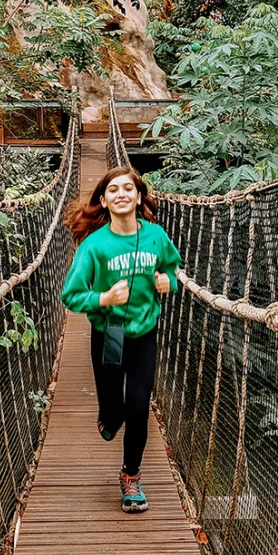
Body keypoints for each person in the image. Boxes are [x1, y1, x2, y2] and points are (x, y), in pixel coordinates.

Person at [61, 165, 181, 513]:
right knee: (115, 410)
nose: (121, 194)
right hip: (108, 335)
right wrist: (104, 299)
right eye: (113, 190)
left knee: (140, 408)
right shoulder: (95, 246)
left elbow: (172, 267)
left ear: (139, 196)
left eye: (128, 188)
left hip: (144, 333)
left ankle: (131, 477)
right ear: (103, 200)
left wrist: (167, 281)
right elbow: (70, 295)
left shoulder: (156, 236)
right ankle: (109, 413)